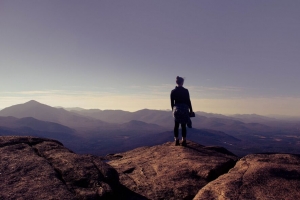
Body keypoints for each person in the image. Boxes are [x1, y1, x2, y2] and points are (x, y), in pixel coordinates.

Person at [170, 76, 193, 146]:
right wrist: (191, 110)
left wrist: (173, 111)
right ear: (182, 82)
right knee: (183, 125)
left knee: (176, 125)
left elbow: (172, 103)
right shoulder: (185, 91)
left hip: (176, 109)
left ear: (176, 82)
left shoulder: (173, 91)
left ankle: (176, 140)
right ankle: (184, 140)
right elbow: (188, 101)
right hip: (184, 109)